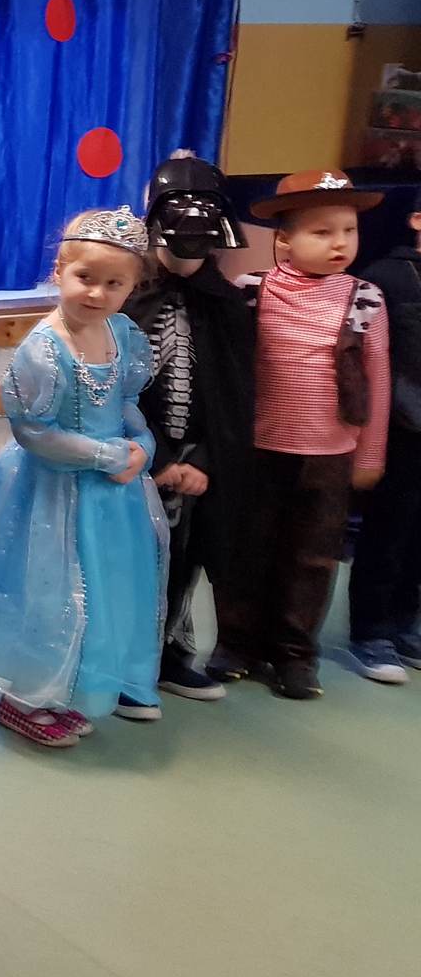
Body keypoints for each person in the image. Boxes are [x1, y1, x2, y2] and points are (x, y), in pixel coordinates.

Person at [0, 208, 168, 747]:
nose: (97, 294)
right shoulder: (44, 348)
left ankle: (65, 689)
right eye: (85, 277)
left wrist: (144, 446)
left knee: (99, 590)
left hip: (111, 496)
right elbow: (34, 431)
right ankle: (22, 697)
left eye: (114, 284)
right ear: (59, 271)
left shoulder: (122, 335)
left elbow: (127, 403)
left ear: (132, 287)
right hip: (50, 491)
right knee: (48, 591)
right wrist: (109, 455)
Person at [211, 171, 391, 700]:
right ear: (284, 240)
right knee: (247, 548)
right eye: (322, 232)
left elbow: (378, 376)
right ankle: (237, 643)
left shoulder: (366, 297)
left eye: (349, 230)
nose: (340, 243)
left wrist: (370, 453)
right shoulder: (252, 291)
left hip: (330, 454)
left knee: (311, 558)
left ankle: (293, 653)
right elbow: (229, 371)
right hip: (259, 449)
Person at [122, 151, 253, 714]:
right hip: (130, 459)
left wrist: (202, 459)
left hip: (195, 464)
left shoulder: (227, 305)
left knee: (183, 558)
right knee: (125, 561)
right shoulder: (127, 295)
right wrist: (155, 459)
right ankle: (121, 661)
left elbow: (234, 393)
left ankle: (168, 654)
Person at [349, 200, 421, 683]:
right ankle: (371, 632)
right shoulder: (385, 278)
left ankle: (405, 623)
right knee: (388, 532)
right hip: (401, 430)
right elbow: (371, 363)